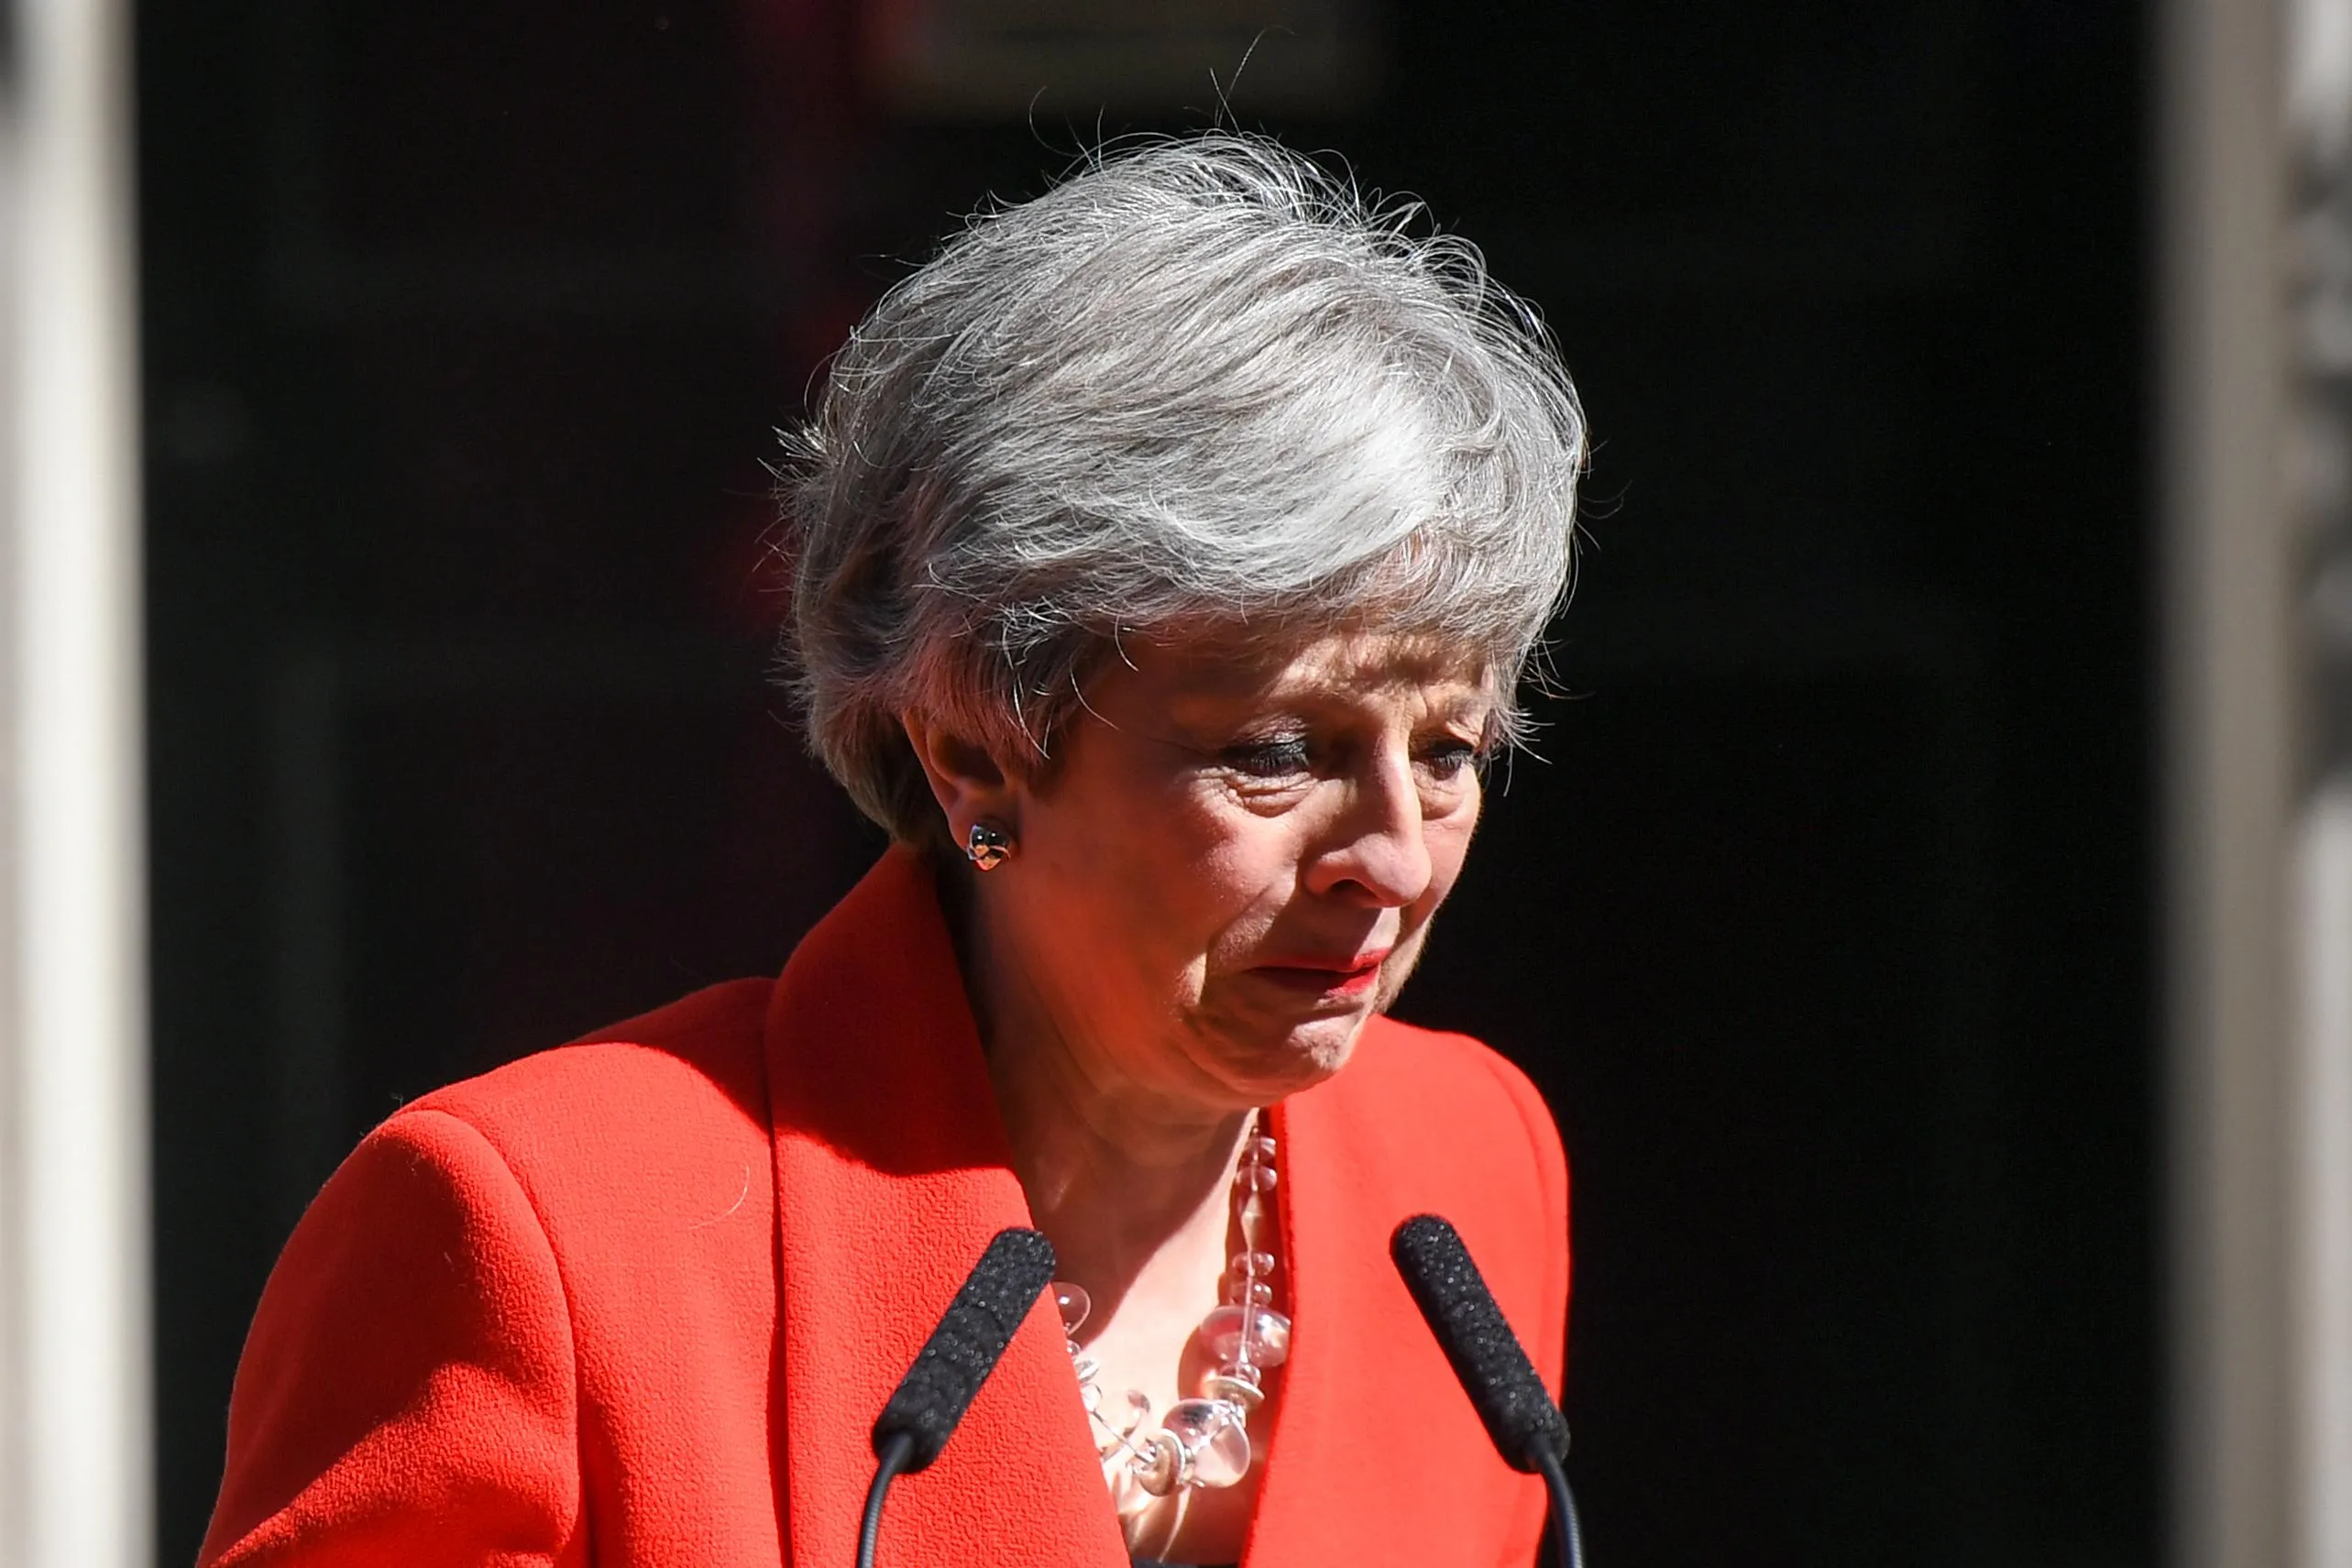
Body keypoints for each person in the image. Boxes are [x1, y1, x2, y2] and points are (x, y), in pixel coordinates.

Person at [198, 133, 1585, 1568]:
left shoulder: (1465, 1157)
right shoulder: (535, 1231)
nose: (1394, 859)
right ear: (974, 744)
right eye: (1278, 751)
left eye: (1447, 751)